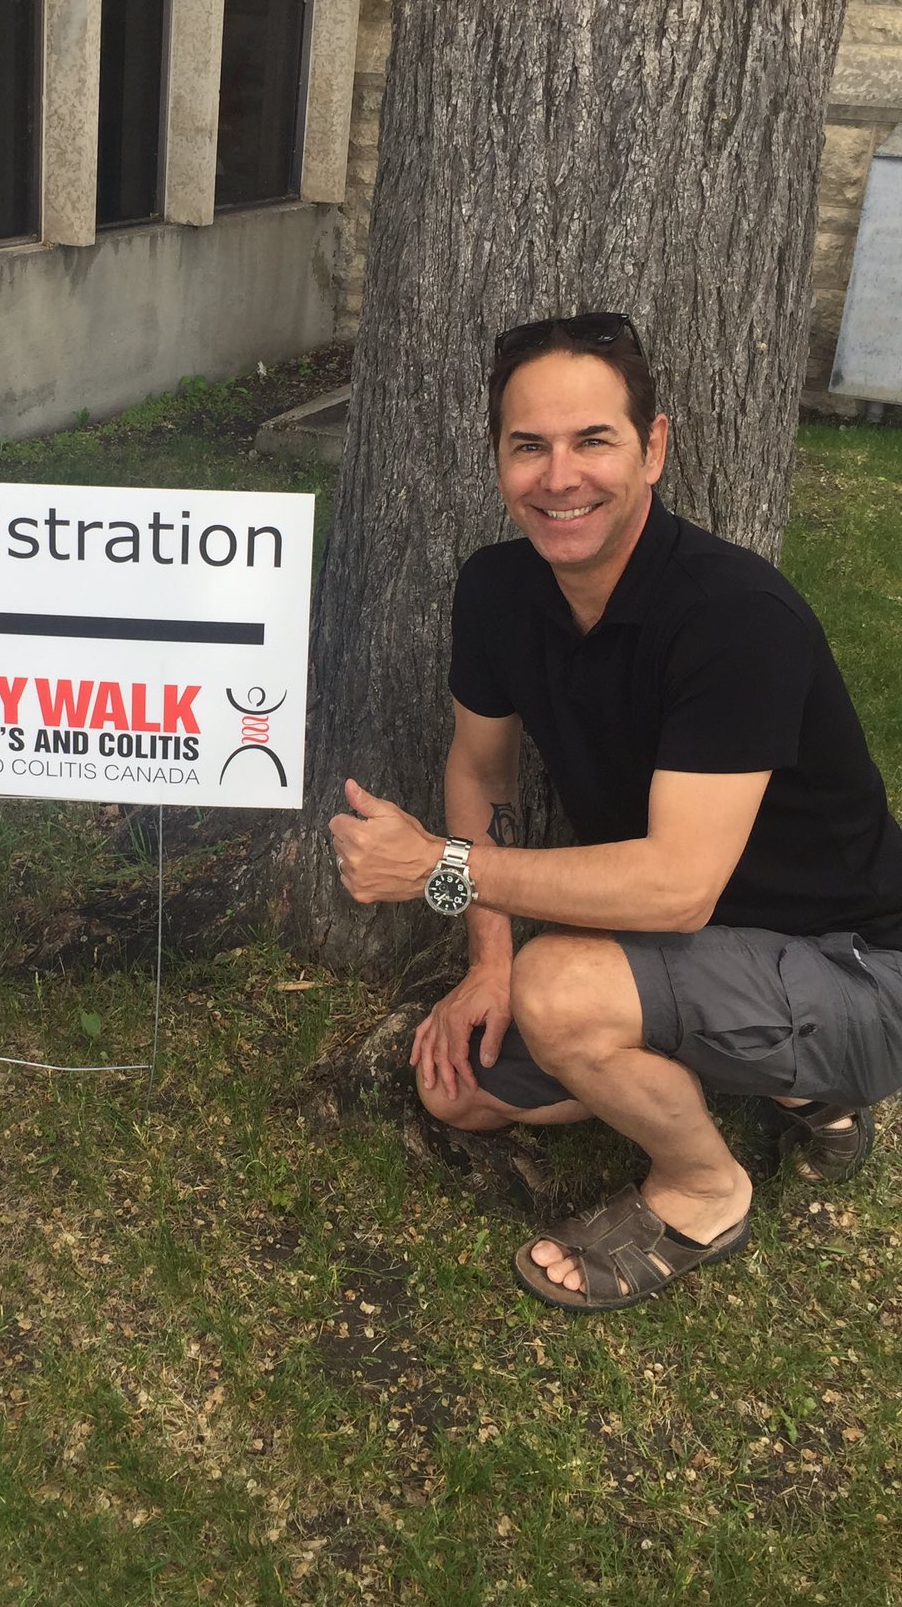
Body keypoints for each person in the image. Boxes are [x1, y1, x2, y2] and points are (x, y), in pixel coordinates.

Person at [330, 312, 902, 1312]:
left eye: (593, 439)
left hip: (856, 965)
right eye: (529, 446)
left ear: (654, 447)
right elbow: (484, 774)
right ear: (499, 459)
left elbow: (676, 890)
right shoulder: (498, 589)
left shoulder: (736, 616)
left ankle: (705, 1188)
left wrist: (436, 868)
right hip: (691, 946)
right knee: (456, 1090)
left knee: (559, 990)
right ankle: (757, 1072)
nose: (561, 477)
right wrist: (488, 962)